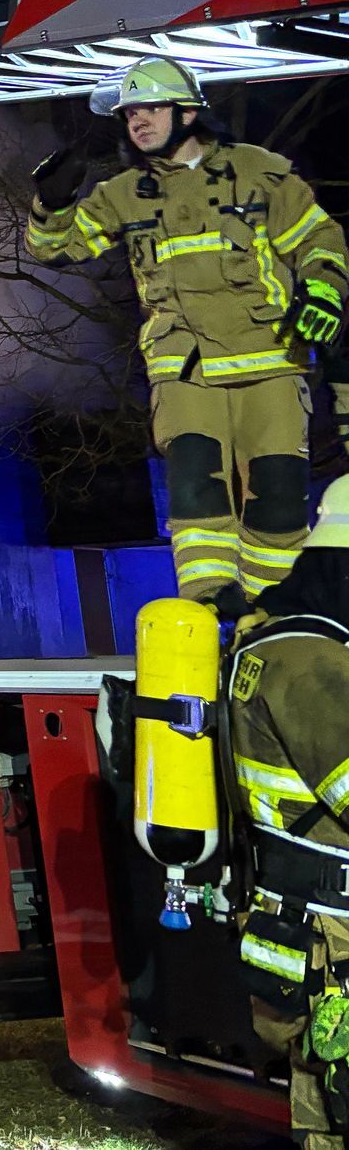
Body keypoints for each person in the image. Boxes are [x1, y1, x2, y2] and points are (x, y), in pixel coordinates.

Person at [27, 56, 348, 617]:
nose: (138, 123)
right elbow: (55, 248)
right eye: (129, 116)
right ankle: (206, 609)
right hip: (184, 370)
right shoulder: (124, 193)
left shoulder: (258, 173)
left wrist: (323, 294)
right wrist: (50, 205)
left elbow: (321, 240)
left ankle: (274, 610)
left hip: (271, 361)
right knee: (196, 490)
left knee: (277, 496)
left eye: (150, 109)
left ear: (189, 111)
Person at [228, 476, 349, 1150]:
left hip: (308, 926)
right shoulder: (311, 664)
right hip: (336, 932)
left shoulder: (280, 644)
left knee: (323, 1103)